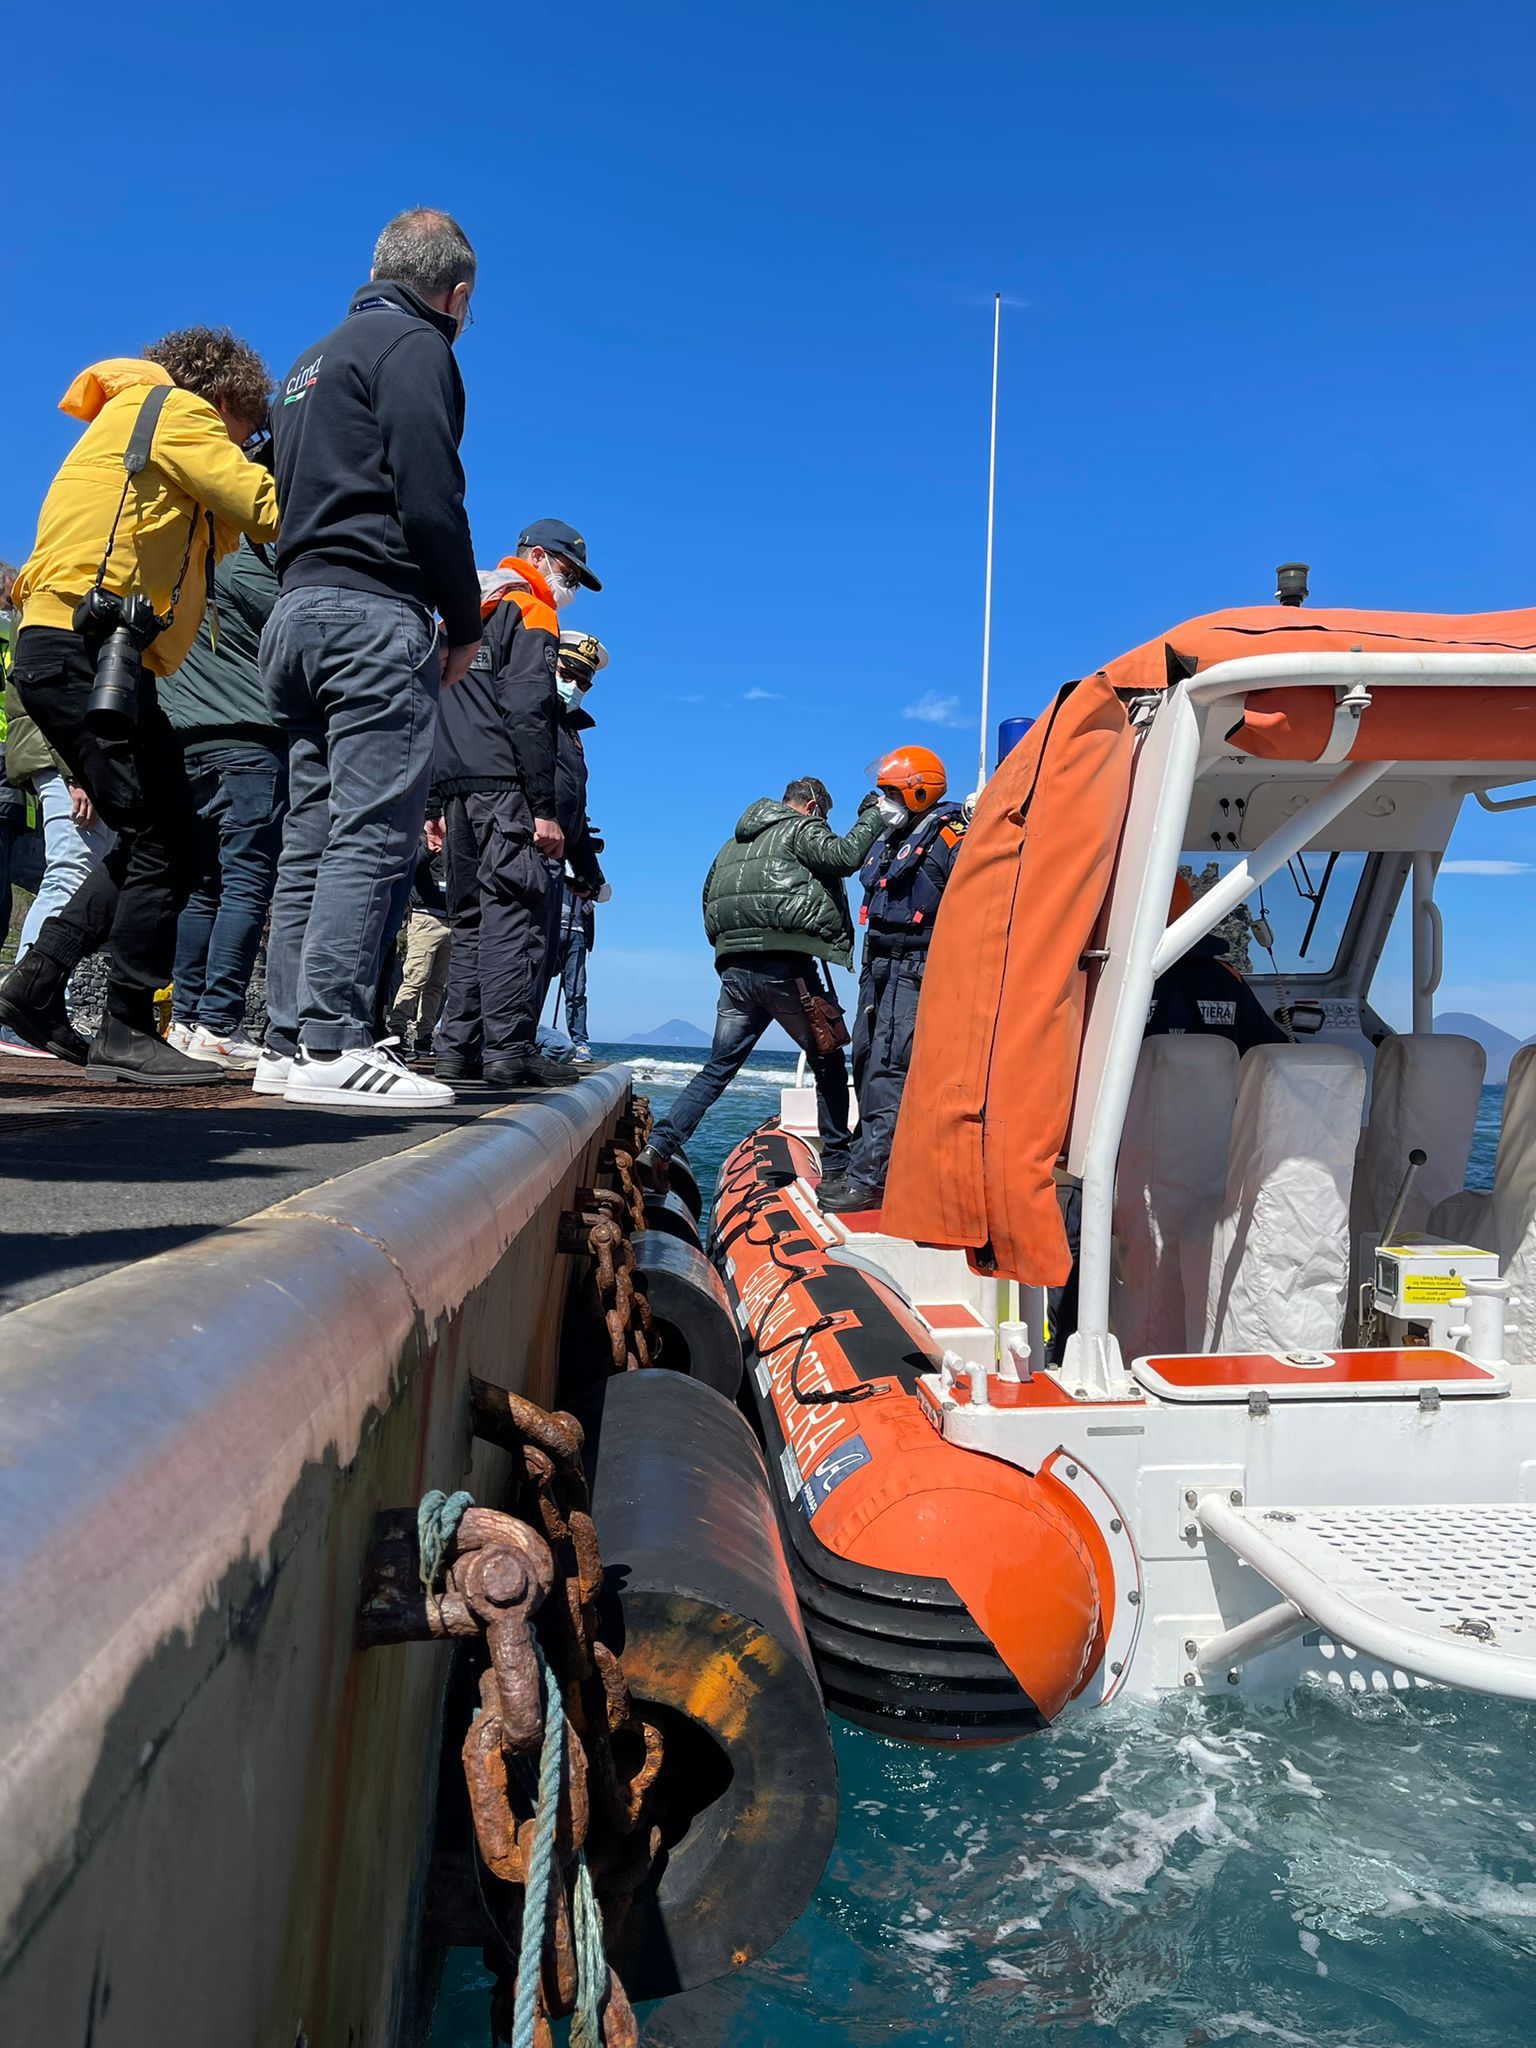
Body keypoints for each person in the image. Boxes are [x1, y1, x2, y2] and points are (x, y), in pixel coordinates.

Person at [0, 333, 279, 1082]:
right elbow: (263, 506)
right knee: (167, 840)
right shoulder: (178, 411)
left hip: (91, 653)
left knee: (157, 834)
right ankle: (126, 1027)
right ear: (223, 401)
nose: (248, 443)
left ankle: (33, 988)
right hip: (81, 651)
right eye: (248, 428)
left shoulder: (133, 420)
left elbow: (209, 532)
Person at [257, 208, 481, 1110]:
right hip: (371, 612)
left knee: (308, 829)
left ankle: (283, 1040)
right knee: (372, 827)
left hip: (297, 609)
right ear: (455, 294)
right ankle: (335, 1041)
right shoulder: (418, 347)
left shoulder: (308, 365)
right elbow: (432, 495)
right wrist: (463, 620)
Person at [639, 777, 885, 1181]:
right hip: (787, 966)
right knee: (827, 1060)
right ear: (812, 807)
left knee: (718, 1067)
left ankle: (661, 1144)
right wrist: (875, 816)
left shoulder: (732, 845)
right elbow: (844, 856)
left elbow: (706, 897)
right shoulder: (801, 827)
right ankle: (838, 1162)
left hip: (735, 968)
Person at [433, 521, 602, 1088]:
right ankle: (507, 1051)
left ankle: (456, 1050)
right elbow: (529, 711)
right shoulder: (531, 610)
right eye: (569, 571)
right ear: (538, 556)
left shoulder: (467, 607)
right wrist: (543, 806)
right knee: (512, 918)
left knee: (472, 922)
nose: (569, 585)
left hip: (457, 789)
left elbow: (439, 699)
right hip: (505, 790)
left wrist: (435, 798)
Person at [821, 745, 966, 1213]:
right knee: (864, 1061)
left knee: (889, 1068)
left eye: (890, 792)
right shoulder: (890, 840)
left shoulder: (951, 837)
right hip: (878, 966)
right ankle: (866, 1161)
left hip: (915, 969)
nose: (881, 802)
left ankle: (871, 1179)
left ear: (919, 792)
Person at [160, 534, 285, 1069]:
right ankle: (217, 1023)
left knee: (200, 885)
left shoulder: (177, 559)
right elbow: (293, 626)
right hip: (248, 739)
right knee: (246, 884)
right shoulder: (247, 562)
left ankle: (185, 1021)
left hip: (184, 740)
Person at [541, 628, 610, 1059]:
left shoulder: (571, 731)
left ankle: (537, 1040)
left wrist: (589, 875)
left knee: (567, 982)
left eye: (585, 682)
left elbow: (575, 816)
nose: (576, 687)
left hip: (556, 870)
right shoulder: (527, 713)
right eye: (569, 674)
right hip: (520, 845)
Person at [386, 818, 451, 1056]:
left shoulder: (457, 845)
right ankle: (397, 1028)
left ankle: (425, 1034)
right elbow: (410, 870)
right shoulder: (421, 843)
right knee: (415, 976)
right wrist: (429, 849)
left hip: (450, 920)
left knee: (437, 984)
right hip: (425, 918)